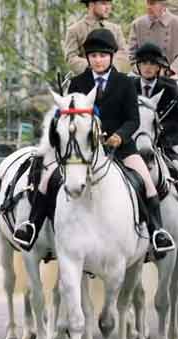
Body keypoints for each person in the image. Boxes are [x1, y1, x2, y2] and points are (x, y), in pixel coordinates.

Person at [14, 29, 175, 257]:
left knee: (147, 181)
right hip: (82, 151)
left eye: (102, 56)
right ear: (87, 58)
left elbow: (133, 119)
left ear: (111, 57)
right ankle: (32, 225)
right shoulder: (78, 83)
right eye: (93, 56)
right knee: (48, 178)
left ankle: (157, 232)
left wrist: (119, 136)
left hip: (121, 147)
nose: (98, 60)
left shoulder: (125, 83)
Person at [132, 42, 178, 151]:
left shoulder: (170, 88)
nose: (148, 67)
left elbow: (176, 119)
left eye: (152, 63)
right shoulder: (129, 87)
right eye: (144, 63)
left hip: (166, 141)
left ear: (158, 67)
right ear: (138, 66)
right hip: (135, 138)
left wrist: (158, 128)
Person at [64, 0, 130, 75]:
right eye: (104, 3)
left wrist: (110, 65)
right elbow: (71, 57)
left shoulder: (115, 29)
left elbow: (124, 53)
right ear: (91, 5)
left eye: (109, 4)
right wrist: (92, 65)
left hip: (113, 79)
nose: (108, 7)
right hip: (86, 80)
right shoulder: (75, 30)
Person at [129, 0, 178, 77]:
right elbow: (132, 54)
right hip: (142, 73)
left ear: (163, 5)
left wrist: (169, 71)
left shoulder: (176, 23)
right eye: (147, 3)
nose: (148, 7)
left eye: (152, 4)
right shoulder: (138, 24)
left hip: (171, 74)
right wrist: (140, 70)